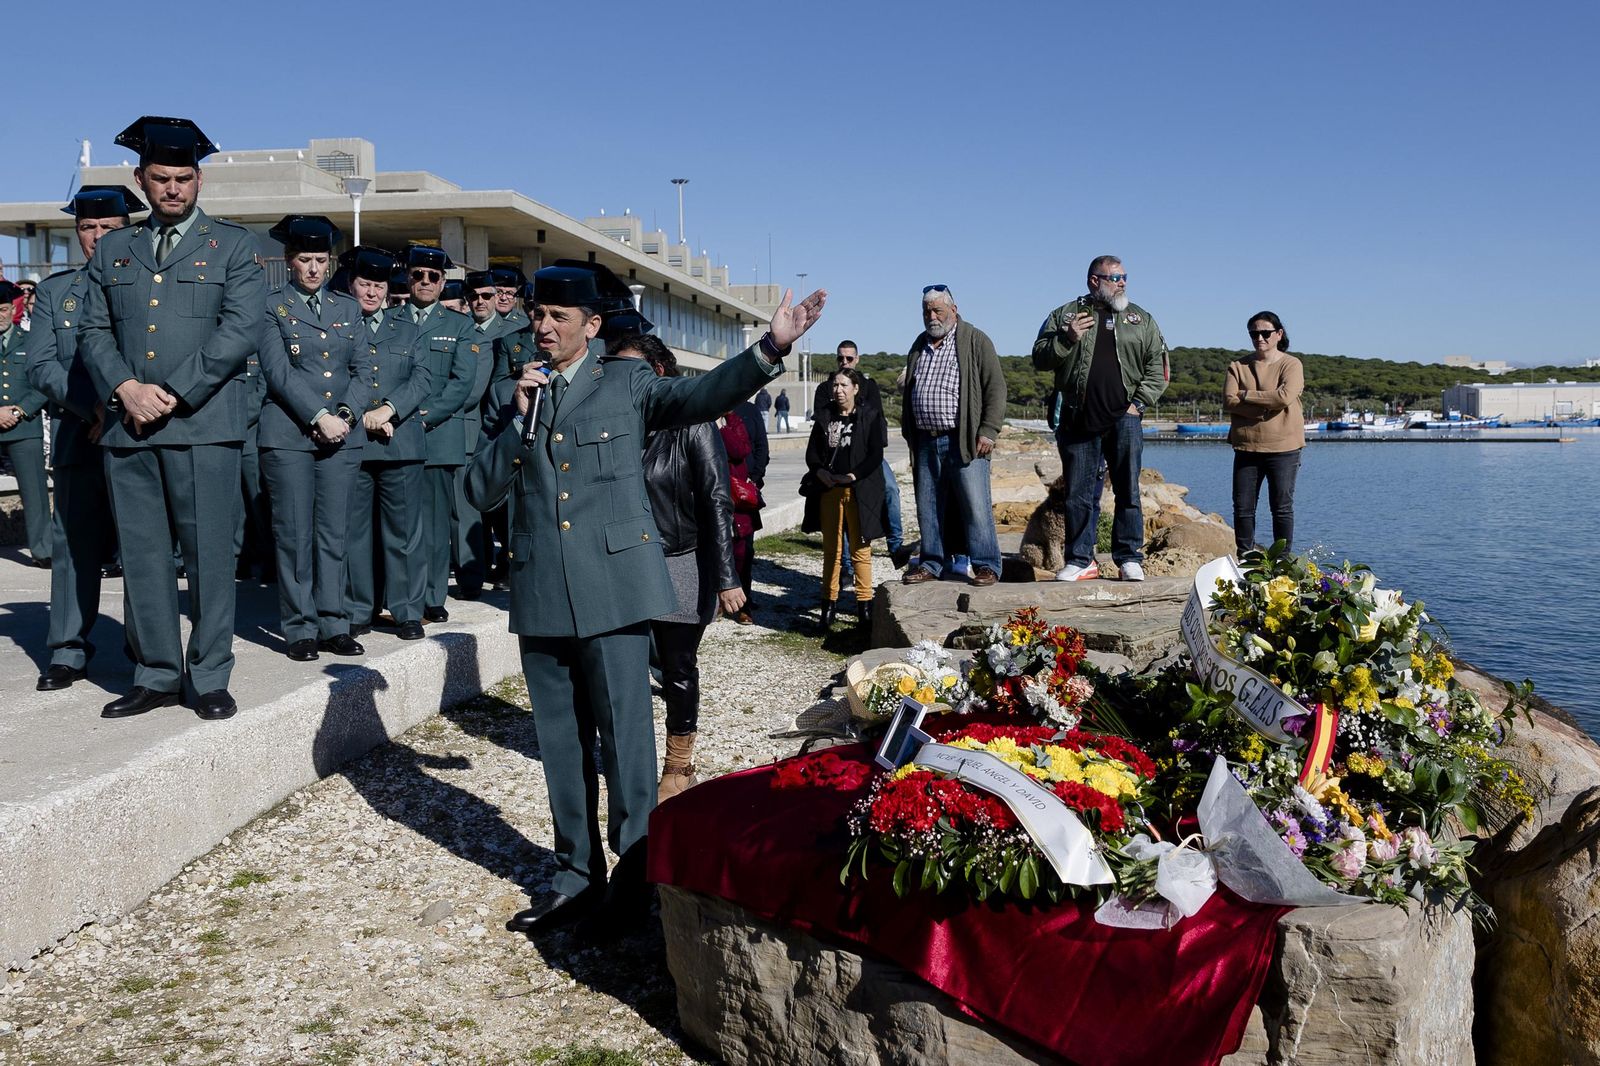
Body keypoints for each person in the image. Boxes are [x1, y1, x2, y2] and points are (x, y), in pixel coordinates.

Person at [466, 263, 825, 942]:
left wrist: (771, 347)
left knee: (627, 744)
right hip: (542, 591)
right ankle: (573, 876)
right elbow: (478, 491)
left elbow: (702, 395)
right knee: (562, 743)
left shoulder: (626, 382)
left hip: (613, 589)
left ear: (592, 327)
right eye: (538, 315)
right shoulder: (521, 389)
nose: (542, 328)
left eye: (558, 318)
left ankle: (634, 883)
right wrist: (517, 421)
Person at [76, 116, 265, 721]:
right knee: (142, 554)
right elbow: (93, 328)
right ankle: (155, 671)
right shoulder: (113, 247)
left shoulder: (234, 246)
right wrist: (126, 388)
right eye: (161, 178)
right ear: (141, 179)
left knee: (209, 554)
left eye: (184, 178)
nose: (174, 189)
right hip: (129, 427)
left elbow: (239, 332)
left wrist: (173, 393)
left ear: (199, 180)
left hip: (203, 426)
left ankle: (208, 675)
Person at [609, 332, 742, 801]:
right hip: (623, 563)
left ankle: (678, 764)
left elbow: (716, 500)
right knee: (624, 663)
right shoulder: (613, 424)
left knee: (677, 668)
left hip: (680, 561)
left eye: (633, 372)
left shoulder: (693, 424)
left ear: (658, 376)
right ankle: (626, 753)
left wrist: (727, 578)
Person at [26, 185, 146, 690]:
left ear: (127, 232)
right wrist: (91, 405)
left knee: (144, 548)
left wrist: (117, 405)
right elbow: (40, 365)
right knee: (74, 544)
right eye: (87, 228)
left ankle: (148, 651)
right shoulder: (57, 292)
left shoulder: (147, 283)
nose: (97, 237)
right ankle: (69, 648)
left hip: (140, 435)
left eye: (108, 229)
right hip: (80, 434)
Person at [257, 216, 366, 661]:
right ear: (289, 261)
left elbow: (362, 372)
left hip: (340, 434)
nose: (314, 268)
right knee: (294, 534)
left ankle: (333, 622)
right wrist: (319, 415)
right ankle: (300, 627)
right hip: (289, 434)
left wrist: (343, 413)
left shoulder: (349, 307)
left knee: (333, 533)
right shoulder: (271, 306)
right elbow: (278, 372)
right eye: (305, 260)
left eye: (321, 260)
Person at [1031, 256, 1169, 583]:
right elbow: (1039, 357)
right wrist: (1066, 339)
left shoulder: (1140, 319)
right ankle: (1080, 560)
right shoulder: (1065, 315)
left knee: (1127, 490)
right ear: (1095, 281)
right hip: (1077, 417)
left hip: (1124, 420)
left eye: (1124, 277)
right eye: (1114, 277)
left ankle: (1129, 558)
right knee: (1078, 493)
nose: (1122, 283)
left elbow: (1160, 367)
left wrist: (1138, 403)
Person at [342, 246, 432, 641]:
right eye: (365, 284)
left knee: (404, 532)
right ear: (352, 285)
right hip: (354, 441)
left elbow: (423, 379)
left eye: (378, 285)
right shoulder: (339, 326)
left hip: (401, 443)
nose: (372, 292)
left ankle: (407, 610)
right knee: (355, 533)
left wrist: (391, 409)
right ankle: (359, 608)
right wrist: (361, 416)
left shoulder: (409, 329)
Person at [900, 285, 1006, 588]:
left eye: (938, 311)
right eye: (927, 312)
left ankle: (986, 565)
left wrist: (989, 430)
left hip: (964, 439)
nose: (932, 317)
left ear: (953, 310)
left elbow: (996, 388)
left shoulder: (975, 340)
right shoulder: (919, 344)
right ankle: (932, 562)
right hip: (925, 440)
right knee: (928, 505)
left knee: (975, 505)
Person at [398, 245, 475, 624]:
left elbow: (461, 384)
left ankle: (431, 595)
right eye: (417, 275)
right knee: (397, 523)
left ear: (443, 282)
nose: (424, 282)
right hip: (394, 435)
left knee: (433, 524)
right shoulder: (390, 318)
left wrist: (423, 416)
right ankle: (399, 594)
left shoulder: (458, 325)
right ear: (408, 278)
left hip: (436, 436)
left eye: (433, 277)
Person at [804, 367, 887, 628]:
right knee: (832, 551)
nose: (838, 390)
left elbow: (875, 455)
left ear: (856, 388)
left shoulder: (869, 416)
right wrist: (819, 472)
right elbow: (813, 452)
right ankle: (828, 606)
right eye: (835, 386)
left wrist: (854, 475)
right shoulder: (825, 416)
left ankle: (864, 606)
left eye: (844, 385)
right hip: (830, 491)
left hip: (859, 491)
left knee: (861, 550)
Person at [816, 339, 904, 575]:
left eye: (849, 358)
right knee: (842, 504)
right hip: (837, 456)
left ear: (857, 359)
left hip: (866, 454)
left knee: (891, 490)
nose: (844, 362)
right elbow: (823, 421)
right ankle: (846, 565)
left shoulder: (869, 385)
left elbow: (874, 420)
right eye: (840, 358)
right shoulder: (826, 389)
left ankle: (896, 547)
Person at [1224, 311, 1305, 556]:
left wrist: (1246, 395)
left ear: (1278, 334)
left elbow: (1283, 397)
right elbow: (1229, 401)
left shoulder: (1291, 364)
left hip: (1284, 448)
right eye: (1254, 333)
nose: (1260, 338)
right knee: (1243, 508)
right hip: (1247, 447)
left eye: (1265, 333)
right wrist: (1264, 409)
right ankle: (1245, 557)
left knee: (1281, 507)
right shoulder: (1237, 366)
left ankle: (1282, 560)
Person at [453, 269, 510, 601]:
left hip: (501, 431)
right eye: (473, 297)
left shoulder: (513, 331)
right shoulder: (462, 330)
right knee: (469, 509)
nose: (480, 302)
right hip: (469, 430)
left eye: (487, 296)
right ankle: (473, 574)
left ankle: (505, 566)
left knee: (502, 511)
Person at [0, 280, 50, 567]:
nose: (0, 315)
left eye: (4, 309)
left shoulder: (30, 341)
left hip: (24, 426)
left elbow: (43, 383)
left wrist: (18, 411)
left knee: (35, 492)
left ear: (13, 309)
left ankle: (44, 549)